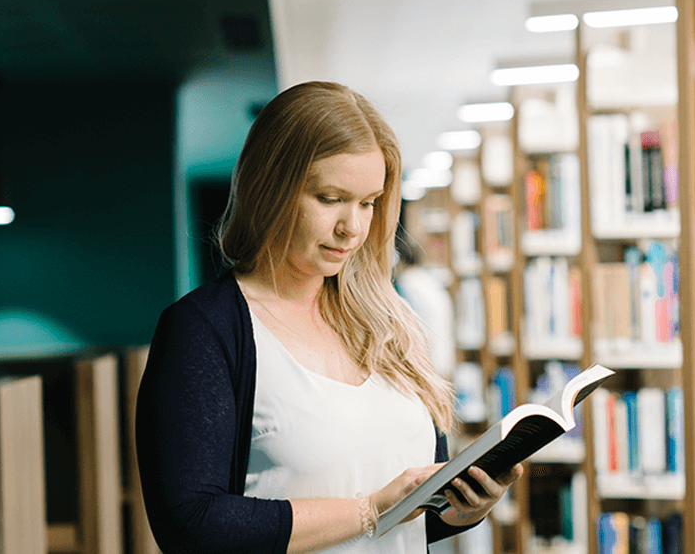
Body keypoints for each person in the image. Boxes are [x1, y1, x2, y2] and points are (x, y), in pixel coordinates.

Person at [136, 81, 522, 554]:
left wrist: (462, 509)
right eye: (330, 198)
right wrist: (370, 508)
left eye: (368, 203)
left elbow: (410, 514)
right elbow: (191, 523)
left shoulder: (388, 324)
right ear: (270, 187)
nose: (353, 228)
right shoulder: (204, 330)